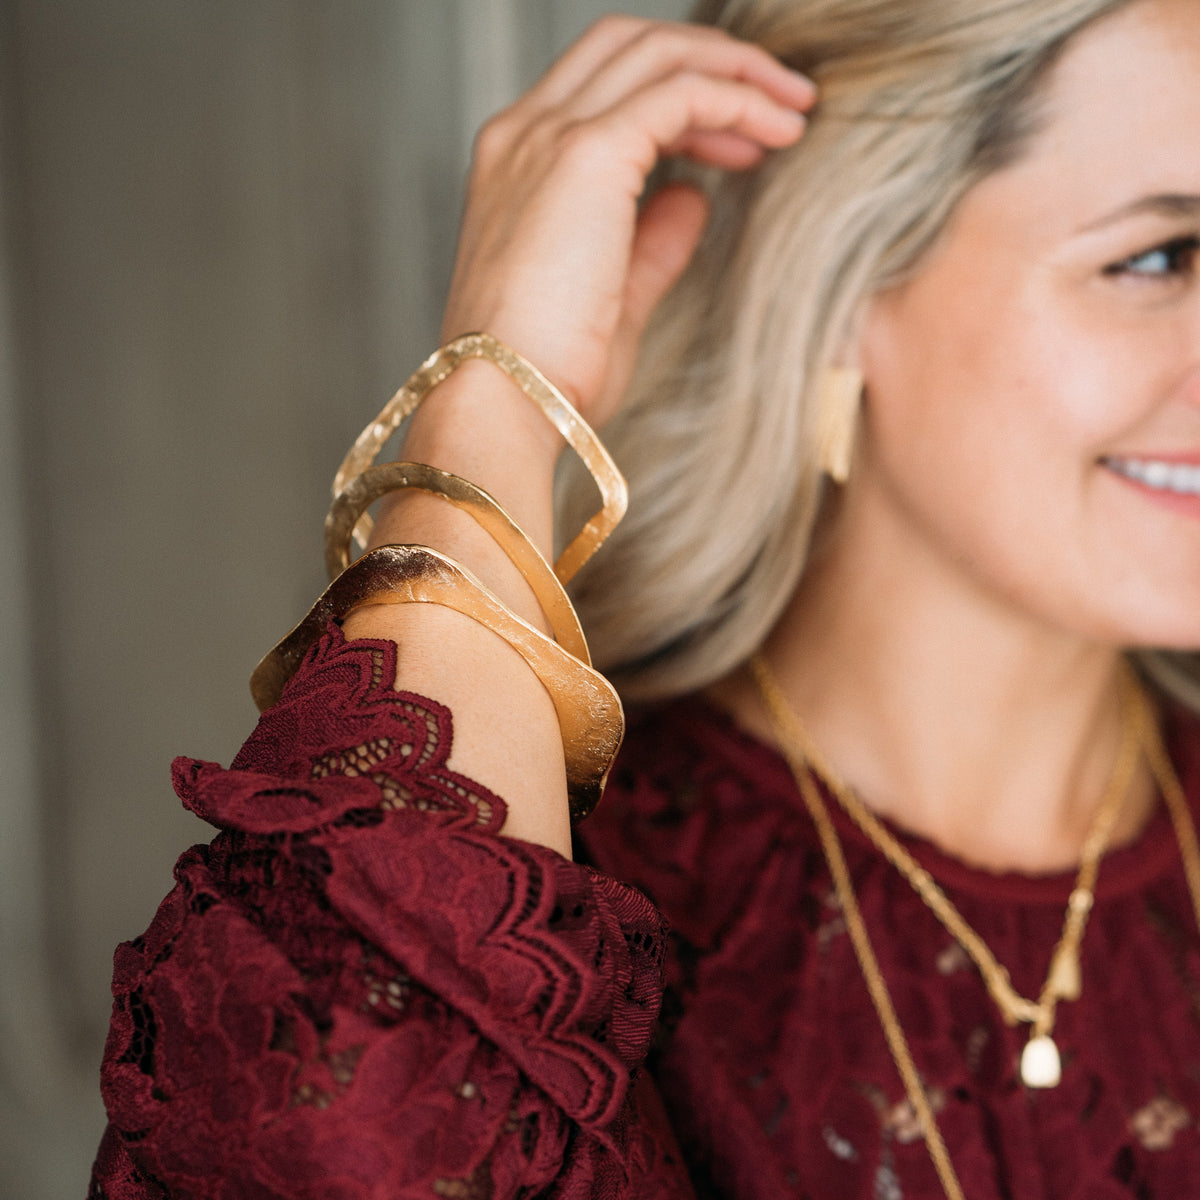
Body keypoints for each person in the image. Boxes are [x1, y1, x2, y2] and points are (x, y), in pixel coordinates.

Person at [89, 0, 1200, 1196]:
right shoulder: (550, 905)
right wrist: (498, 396)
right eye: (1159, 259)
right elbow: (340, 1149)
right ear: (840, 280)